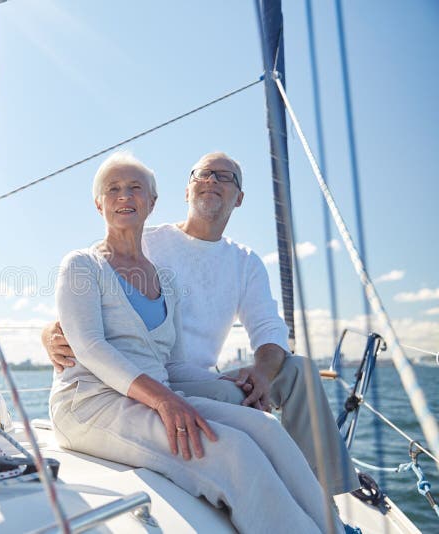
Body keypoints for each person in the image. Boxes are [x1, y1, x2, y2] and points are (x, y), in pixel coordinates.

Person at [51, 151, 344, 532]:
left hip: (159, 390)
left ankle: (334, 526)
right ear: (98, 203)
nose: (124, 196)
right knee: (234, 452)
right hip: (90, 402)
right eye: (113, 189)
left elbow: (171, 364)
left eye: (135, 188)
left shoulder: (165, 280)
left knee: (266, 428)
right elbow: (88, 344)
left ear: (152, 202)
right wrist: (164, 399)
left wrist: (229, 386)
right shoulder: (81, 264)